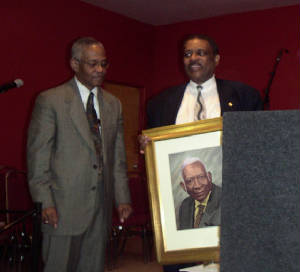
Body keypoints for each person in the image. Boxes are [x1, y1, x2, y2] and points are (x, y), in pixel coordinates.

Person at [139, 34, 263, 271]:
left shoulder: (245, 97)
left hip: (233, 209)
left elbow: (258, 151)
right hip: (179, 221)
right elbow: (157, 158)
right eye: (187, 54)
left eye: (200, 53)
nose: (193, 58)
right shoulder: (159, 103)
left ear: (216, 59)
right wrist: (148, 148)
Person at [27, 37, 132, 272]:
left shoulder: (113, 104)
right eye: (92, 64)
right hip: (62, 208)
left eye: (104, 64)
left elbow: (117, 156)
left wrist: (122, 197)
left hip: (100, 206)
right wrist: (44, 202)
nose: (100, 70)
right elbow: (38, 158)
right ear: (75, 64)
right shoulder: (50, 100)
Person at [178, 157, 221, 230]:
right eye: (189, 181)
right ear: (184, 186)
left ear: (209, 177)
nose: (197, 185)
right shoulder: (184, 206)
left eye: (201, 177)